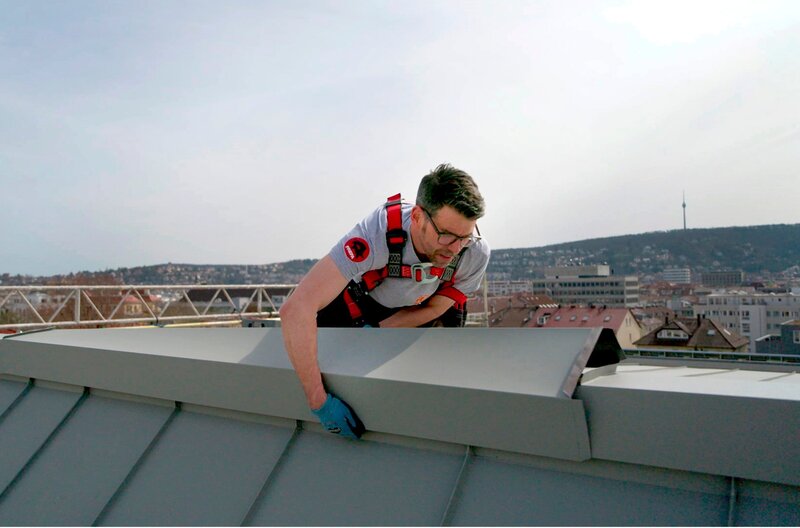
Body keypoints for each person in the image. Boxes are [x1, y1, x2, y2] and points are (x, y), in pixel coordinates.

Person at [279, 163, 489, 439]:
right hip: (362, 302)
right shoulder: (377, 234)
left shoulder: (474, 253)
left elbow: (437, 307)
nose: (455, 248)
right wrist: (319, 402)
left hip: (421, 307)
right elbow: (296, 309)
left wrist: (381, 331)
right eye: (447, 236)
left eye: (465, 237)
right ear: (418, 217)